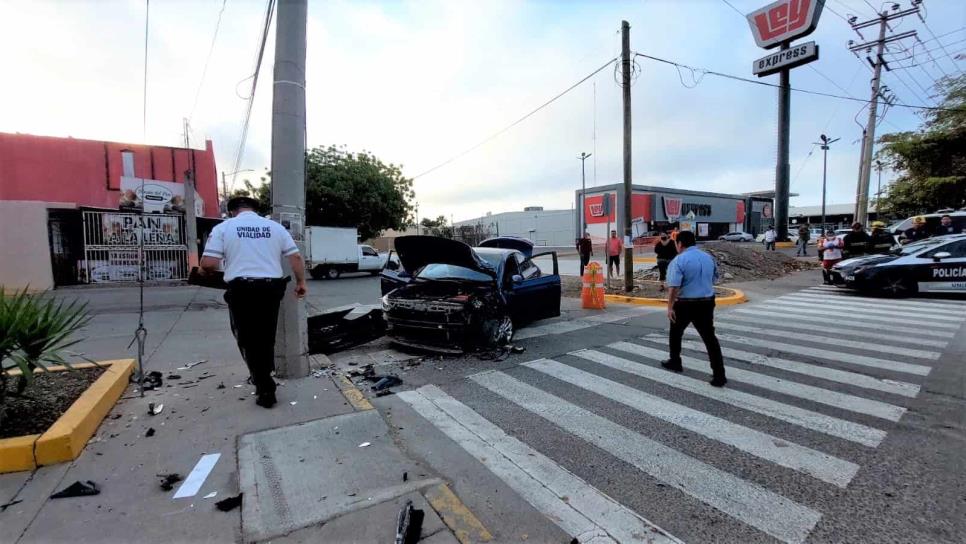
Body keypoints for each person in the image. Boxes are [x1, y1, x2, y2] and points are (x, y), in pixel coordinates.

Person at [199, 196, 308, 409]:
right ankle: (263, 377)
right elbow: (295, 258)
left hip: (242, 291)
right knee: (266, 336)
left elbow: (210, 263)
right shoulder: (274, 228)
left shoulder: (225, 228)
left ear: (232, 211)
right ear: (256, 210)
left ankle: (264, 385)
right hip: (270, 290)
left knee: (247, 337)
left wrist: (203, 269)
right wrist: (301, 282)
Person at [661, 230, 727, 387]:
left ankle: (675, 361)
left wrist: (670, 307)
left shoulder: (678, 261)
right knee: (710, 338)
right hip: (706, 302)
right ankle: (719, 375)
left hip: (685, 304)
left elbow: (674, 287)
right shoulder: (708, 258)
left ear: (680, 244)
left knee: (675, 333)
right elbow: (714, 278)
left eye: (676, 243)